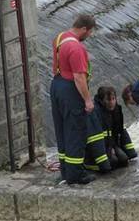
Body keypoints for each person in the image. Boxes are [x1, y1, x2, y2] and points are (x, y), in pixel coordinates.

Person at [50, 14, 96, 185]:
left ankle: (65, 170)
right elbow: (79, 77)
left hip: (56, 86)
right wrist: (88, 100)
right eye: (90, 32)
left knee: (62, 129)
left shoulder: (60, 37)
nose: (89, 35)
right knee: (75, 131)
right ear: (84, 28)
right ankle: (76, 175)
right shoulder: (77, 49)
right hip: (71, 90)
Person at [86, 86, 137, 170]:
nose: (112, 102)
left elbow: (122, 131)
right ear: (102, 101)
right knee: (112, 163)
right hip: (97, 148)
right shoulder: (95, 113)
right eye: (108, 100)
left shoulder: (116, 110)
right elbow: (95, 140)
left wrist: (131, 152)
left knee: (124, 160)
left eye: (113, 99)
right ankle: (87, 164)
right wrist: (103, 163)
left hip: (111, 144)